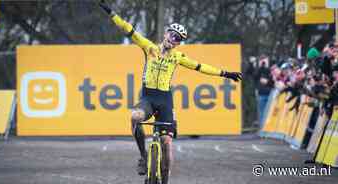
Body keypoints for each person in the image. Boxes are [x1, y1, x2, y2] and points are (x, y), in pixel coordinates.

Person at [98, 1, 242, 176]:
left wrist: (225, 73)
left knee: (166, 144)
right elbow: (129, 30)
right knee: (135, 117)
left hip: (165, 101)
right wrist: (111, 13)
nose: (173, 40)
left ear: (178, 43)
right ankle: (143, 157)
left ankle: (165, 176)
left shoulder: (177, 57)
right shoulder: (149, 48)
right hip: (148, 98)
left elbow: (200, 67)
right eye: (172, 35)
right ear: (166, 34)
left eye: (178, 39)